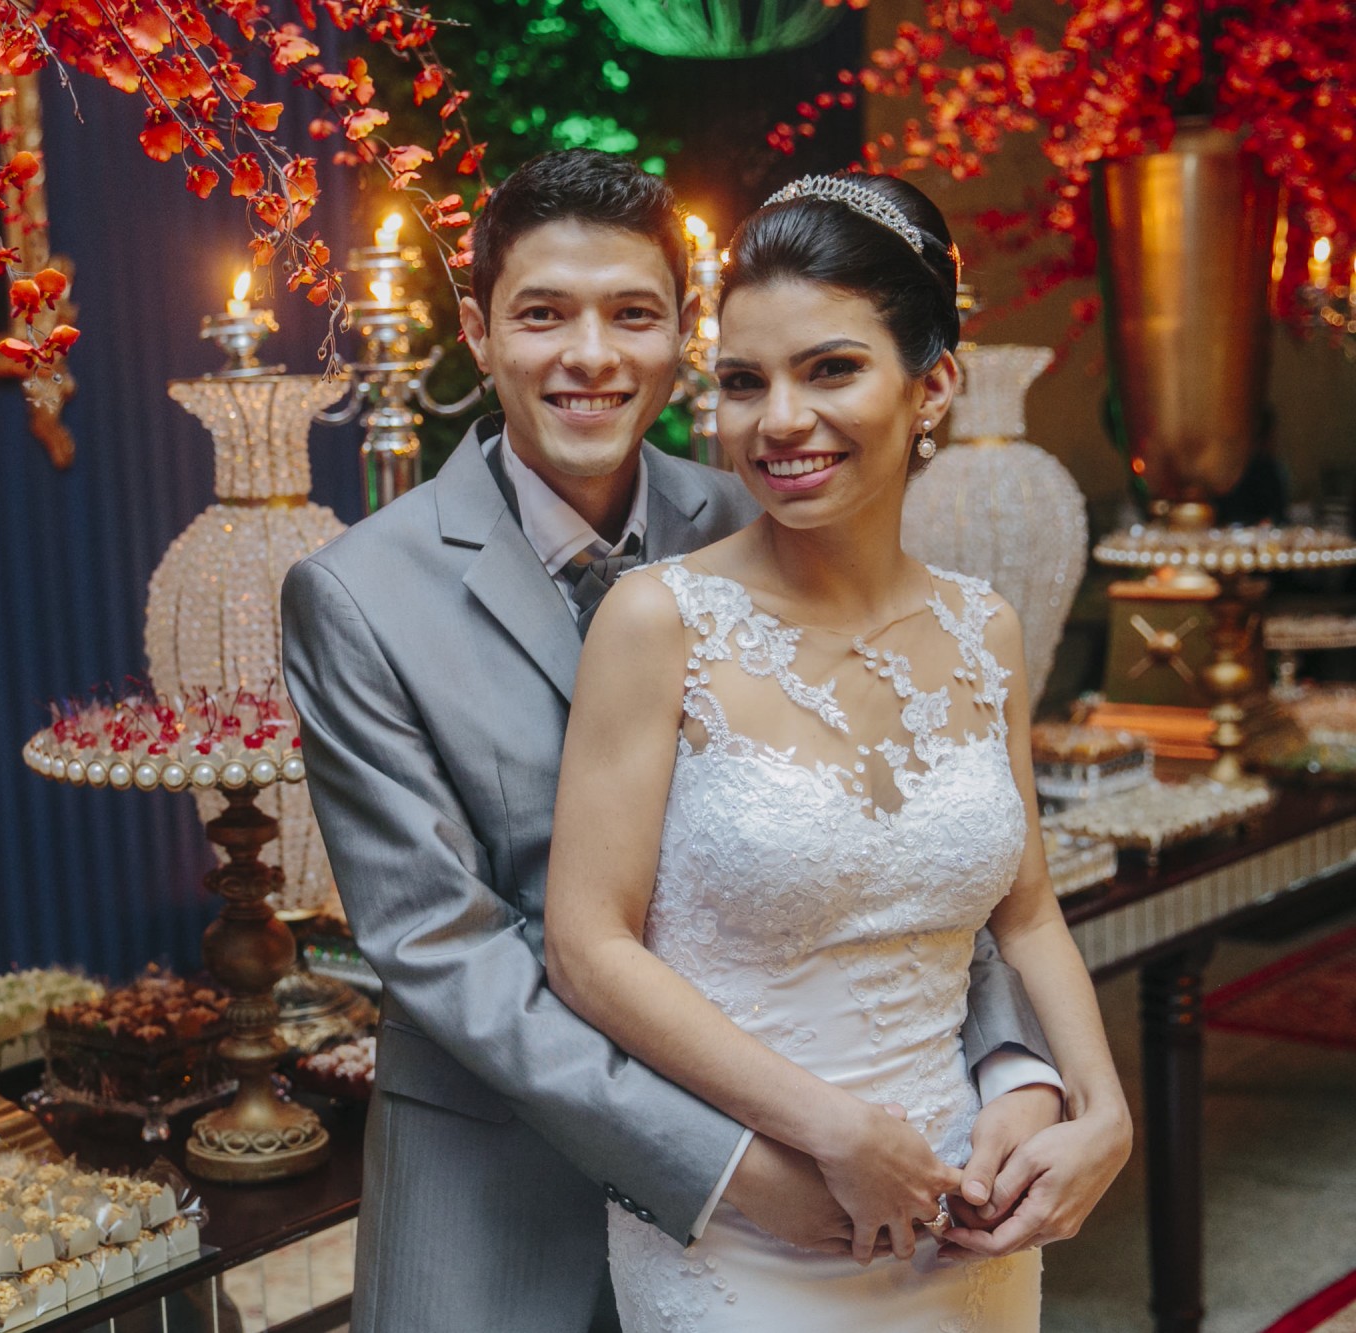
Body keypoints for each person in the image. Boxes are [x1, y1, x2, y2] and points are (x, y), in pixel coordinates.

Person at [281, 150, 1073, 1333]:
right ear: (476, 333)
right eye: (541, 314)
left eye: (633, 314)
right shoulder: (355, 594)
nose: (589, 355)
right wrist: (727, 1163)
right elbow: (445, 947)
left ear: (680, 333)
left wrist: (1016, 1066)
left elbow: (901, 833)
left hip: (831, 1196)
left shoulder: (762, 504)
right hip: (510, 1201)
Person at [539, 172, 1133, 1329]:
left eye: (830, 369)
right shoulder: (656, 620)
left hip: (966, 1217)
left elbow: (1023, 912)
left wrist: (1095, 1107)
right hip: (750, 1223)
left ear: (933, 387)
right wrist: (830, 1129)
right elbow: (586, 946)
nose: (777, 422)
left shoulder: (983, 628)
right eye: (742, 382)